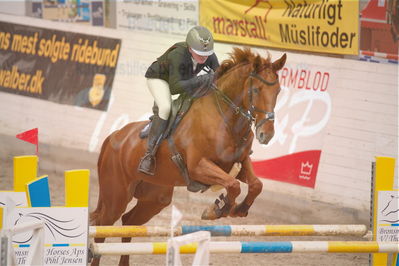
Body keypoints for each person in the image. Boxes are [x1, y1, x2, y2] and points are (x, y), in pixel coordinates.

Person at [138, 26, 219, 175]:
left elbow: (219, 79)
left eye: (206, 53)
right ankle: (149, 155)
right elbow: (175, 88)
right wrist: (203, 79)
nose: (203, 57)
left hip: (183, 81)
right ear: (189, 48)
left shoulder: (210, 57)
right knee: (165, 108)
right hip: (160, 80)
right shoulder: (178, 55)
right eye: (200, 53)